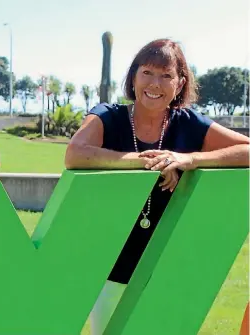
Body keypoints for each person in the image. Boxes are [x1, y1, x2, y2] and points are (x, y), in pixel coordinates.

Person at [65, 38, 250, 334]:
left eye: (166, 75)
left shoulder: (188, 123)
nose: (155, 83)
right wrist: (142, 162)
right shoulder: (107, 116)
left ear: (179, 84)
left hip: (169, 271)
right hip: (111, 269)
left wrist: (189, 159)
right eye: (147, 72)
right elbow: (75, 154)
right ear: (133, 77)